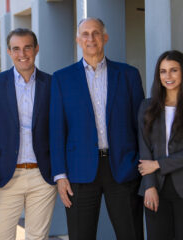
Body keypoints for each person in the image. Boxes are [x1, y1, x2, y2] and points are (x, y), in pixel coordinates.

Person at [50, 17, 144, 240]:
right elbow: (56, 130)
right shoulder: (62, 78)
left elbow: (141, 125)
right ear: (78, 40)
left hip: (123, 167)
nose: (90, 38)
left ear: (105, 37)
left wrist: (140, 163)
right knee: (81, 235)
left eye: (96, 33)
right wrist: (60, 174)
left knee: (131, 234)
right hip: (79, 171)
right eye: (85, 34)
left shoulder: (128, 75)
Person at [0, 28, 57, 240]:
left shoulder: (52, 84)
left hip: (42, 176)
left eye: (27, 47)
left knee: (37, 237)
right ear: (9, 52)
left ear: (36, 49)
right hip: (5, 174)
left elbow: (60, 130)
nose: (22, 53)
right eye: (16, 49)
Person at [138, 50, 183, 240]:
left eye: (173, 70)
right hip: (156, 189)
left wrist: (158, 164)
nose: (167, 76)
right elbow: (144, 149)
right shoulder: (146, 107)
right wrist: (149, 186)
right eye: (163, 71)